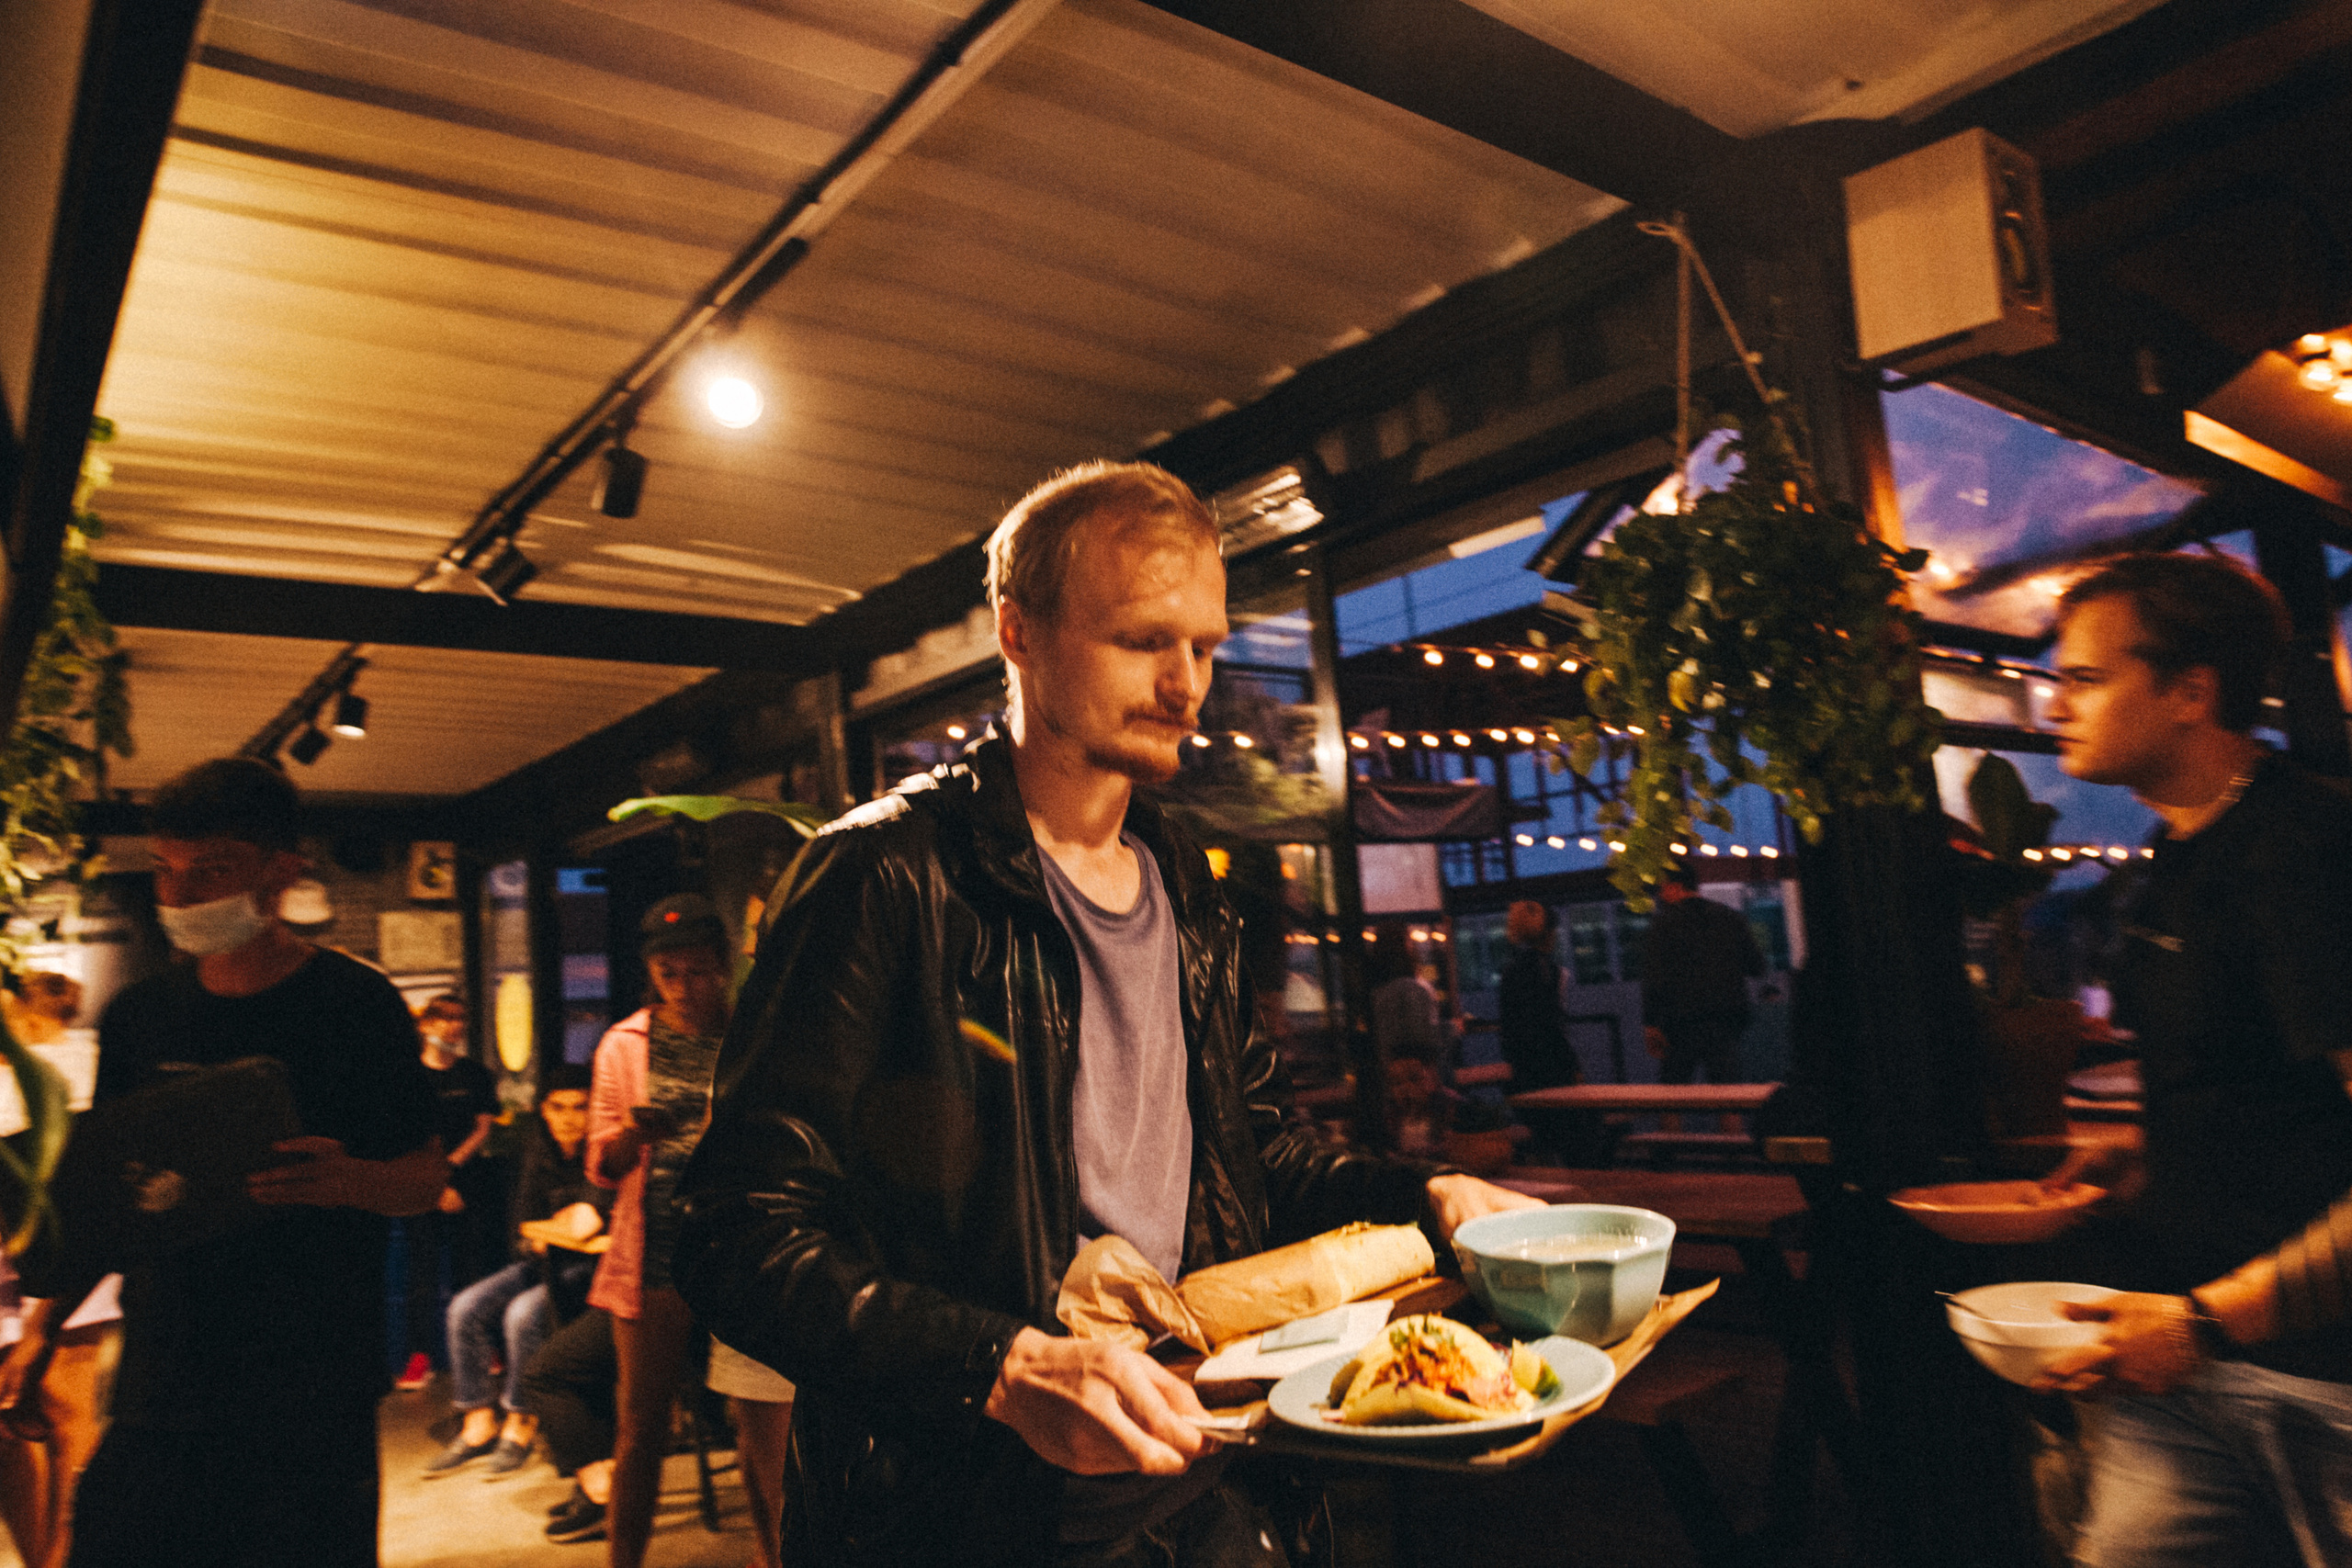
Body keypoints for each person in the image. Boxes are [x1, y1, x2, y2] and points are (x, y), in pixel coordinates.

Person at [676, 460, 1540, 1568]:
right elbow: (735, 1229)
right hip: (970, 1518)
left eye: (1207, 646)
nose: (1187, 682)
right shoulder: (884, 876)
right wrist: (1002, 1366)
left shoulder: (1184, 881)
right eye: (1143, 641)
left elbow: (1259, 1156)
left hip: (1214, 1479)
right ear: (1017, 633)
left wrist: (1428, 1194)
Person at [0, 758, 446, 1568]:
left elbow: (426, 1178)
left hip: (308, 1378)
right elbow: (114, 1187)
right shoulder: (143, 1015)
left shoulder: (353, 1005)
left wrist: (350, 1179)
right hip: (164, 1366)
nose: (178, 895)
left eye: (211, 869)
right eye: (167, 869)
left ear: (283, 871)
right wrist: (42, 1324)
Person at [2024, 553, 2352, 1567]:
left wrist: (2209, 1322)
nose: (2053, 706)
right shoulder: (2177, 856)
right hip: (2174, 1357)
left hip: (2319, 1376)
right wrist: (2144, 1154)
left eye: (2084, 678)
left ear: (2189, 693)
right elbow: (2259, 1091)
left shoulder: (2305, 853)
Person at [586, 895, 733, 1568]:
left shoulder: (750, 1032)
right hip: (657, 1255)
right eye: (669, 972)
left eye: (698, 970)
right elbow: (604, 1163)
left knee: (758, 1415)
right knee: (640, 1425)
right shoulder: (625, 1044)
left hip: (744, 1249)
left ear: (723, 967)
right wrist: (635, 1132)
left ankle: (774, 1549)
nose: (684, 986)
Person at [424, 1063, 607, 1478]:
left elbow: (595, 1231)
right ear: (544, 1109)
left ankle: (520, 1421)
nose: (568, 1117)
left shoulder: (602, 1154)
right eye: (558, 1107)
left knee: (522, 1315)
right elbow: (522, 1230)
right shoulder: (537, 1151)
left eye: (580, 1107)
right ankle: (477, 1423)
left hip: (590, 1270)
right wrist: (550, 1233)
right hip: (543, 1263)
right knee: (463, 1307)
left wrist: (556, 1230)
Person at [391, 992, 500, 1389]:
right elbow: (403, 1133)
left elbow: (483, 1126)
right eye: (445, 1018)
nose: (454, 1026)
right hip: (422, 1185)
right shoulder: (406, 1076)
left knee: (471, 1270)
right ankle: (419, 1356)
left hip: (468, 1182)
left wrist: (451, 1169)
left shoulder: (474, 1074)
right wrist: (435, 1180)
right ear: (425, 1024)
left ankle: (481, 1348)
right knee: (421, 1276)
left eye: (460, 1019)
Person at [1497, 901, 1578, 1091]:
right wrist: (1572, 1065)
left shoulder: (1510, 970)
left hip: (1522, 1072)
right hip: (1550, 1071)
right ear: (1548, 933)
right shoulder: (1549, 970)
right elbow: (1551, 1024)